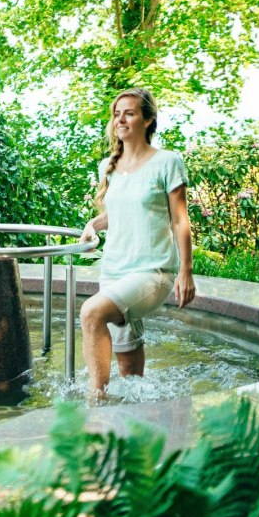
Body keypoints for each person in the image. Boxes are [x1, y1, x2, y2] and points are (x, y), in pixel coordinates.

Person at [77, 87, 195, 400]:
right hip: (114, 271)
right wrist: (92, 225)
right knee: (130, 372)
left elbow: (180, 220)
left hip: (152, 272)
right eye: (117, 114)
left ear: (148, 120)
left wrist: (186, 271)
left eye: (129, 113)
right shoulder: (108, 166)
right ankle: (136, 414)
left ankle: (95, 402)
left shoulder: (168, 162)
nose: (121, 119)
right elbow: (116, 213)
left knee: (91, 313)